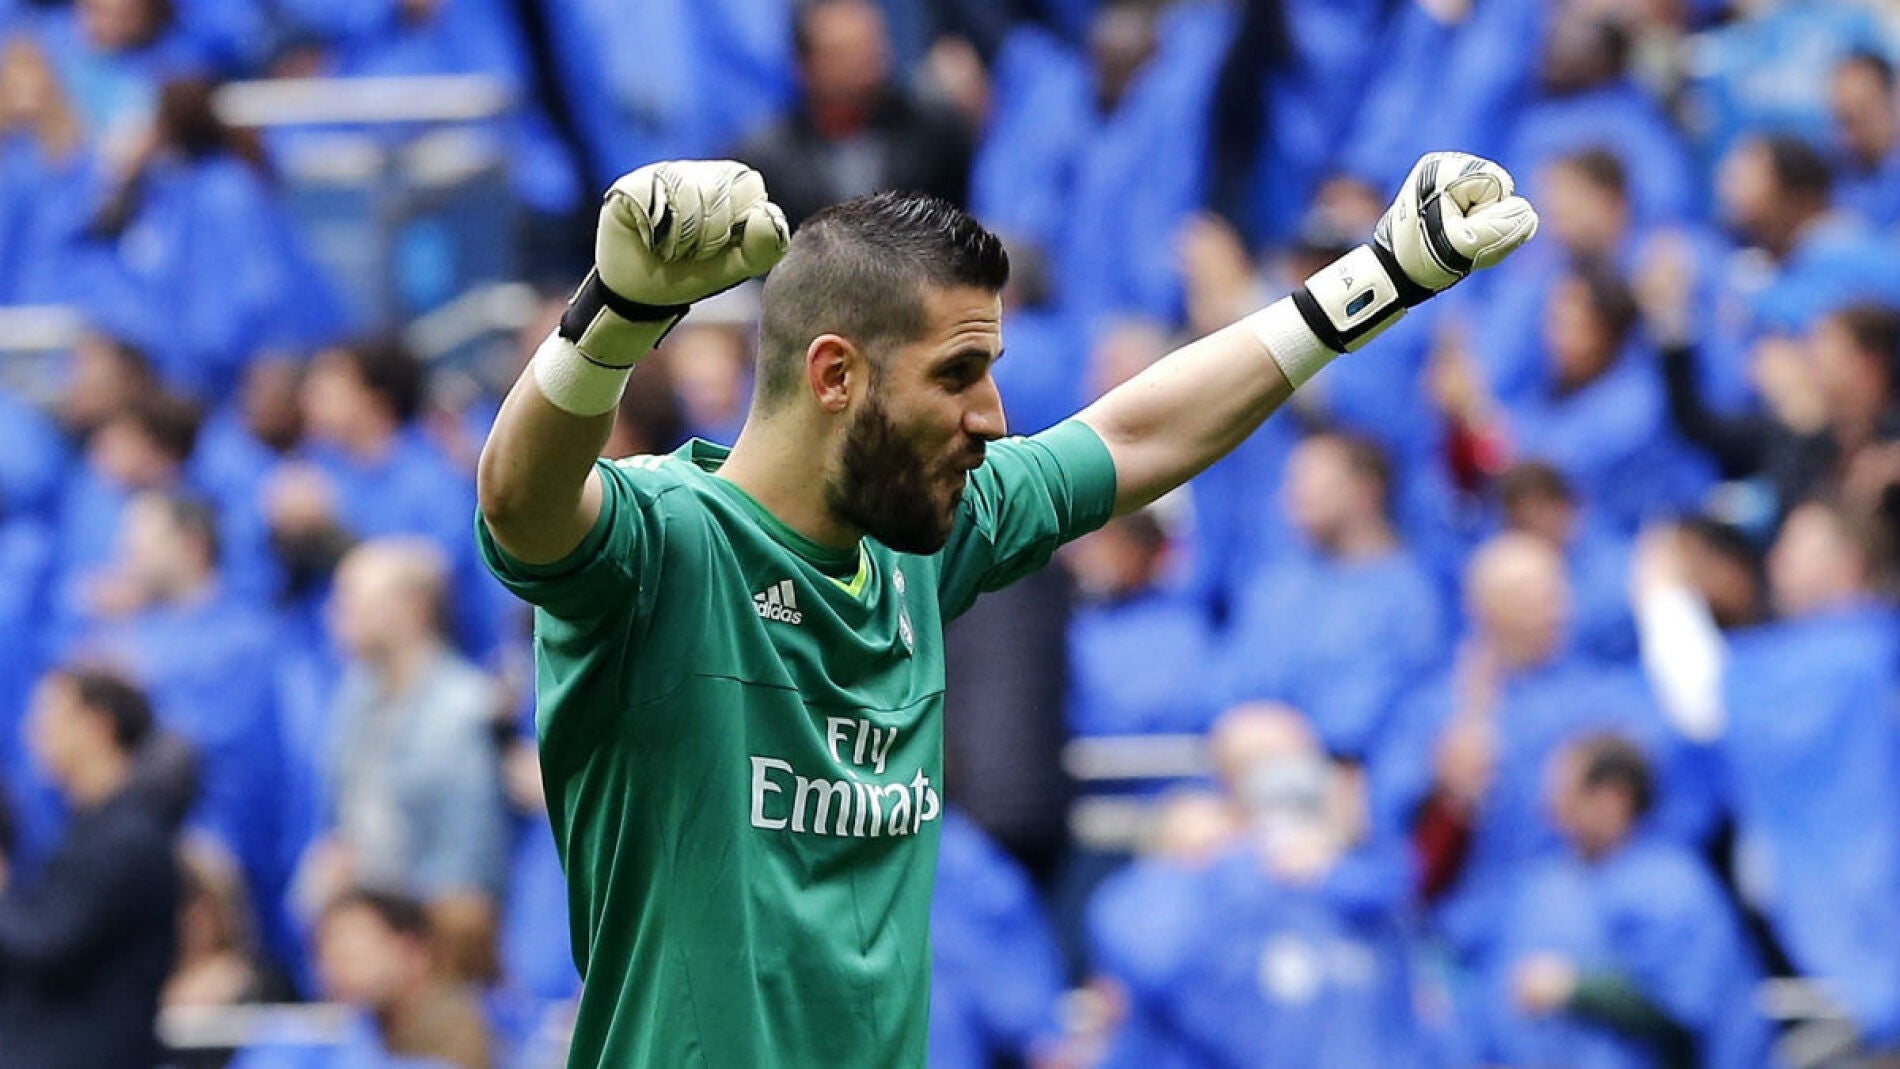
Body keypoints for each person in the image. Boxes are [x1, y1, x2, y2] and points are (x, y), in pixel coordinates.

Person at [474, 153, 1535, 1065]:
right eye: (959, 373)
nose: (991, 415)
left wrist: (1381, 276)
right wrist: (610, 321)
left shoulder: (916, 545)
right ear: (837, 375)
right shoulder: (666, 545)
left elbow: (1132, 439)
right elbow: (521, 504)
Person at [1634, 501, 1900, 1049]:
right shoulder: (1828, 654)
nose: (1777, 562)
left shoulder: (1850, 654)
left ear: (1847, 564)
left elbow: (1706, 700)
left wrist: (1661, 592)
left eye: (1796, 549)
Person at [298, 539, 510, 981]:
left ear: (411, 609)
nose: (333, 615)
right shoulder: (353, 697)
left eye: (351, 600)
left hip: (429, 946)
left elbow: (466, 871)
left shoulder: (465, 708)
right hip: (363, 927)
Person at [1492, 734, 1771, 1069]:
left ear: (1614, 796)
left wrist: (1573, 988)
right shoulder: (1548, 885)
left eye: (1565, 795)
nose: (1550, 810)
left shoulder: (1671, 885)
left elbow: (1680, 1008)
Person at [0, 667, 182, 1069]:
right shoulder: (90, 830)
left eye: (50, 717)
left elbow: (49, 944)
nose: (34, 733)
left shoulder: (129, 839)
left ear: (96, 726)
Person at [732, 0, 971, 229]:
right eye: (845, 56)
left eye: (870, 50)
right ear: (805, 66)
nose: (864, 67)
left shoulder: (935, 135)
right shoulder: (765, 162)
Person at [229, 888, 494, 1069]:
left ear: (411, 952)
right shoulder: (334, 1032)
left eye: (354, 952)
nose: (335, 968)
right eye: (326, 953)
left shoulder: (455, 1023)